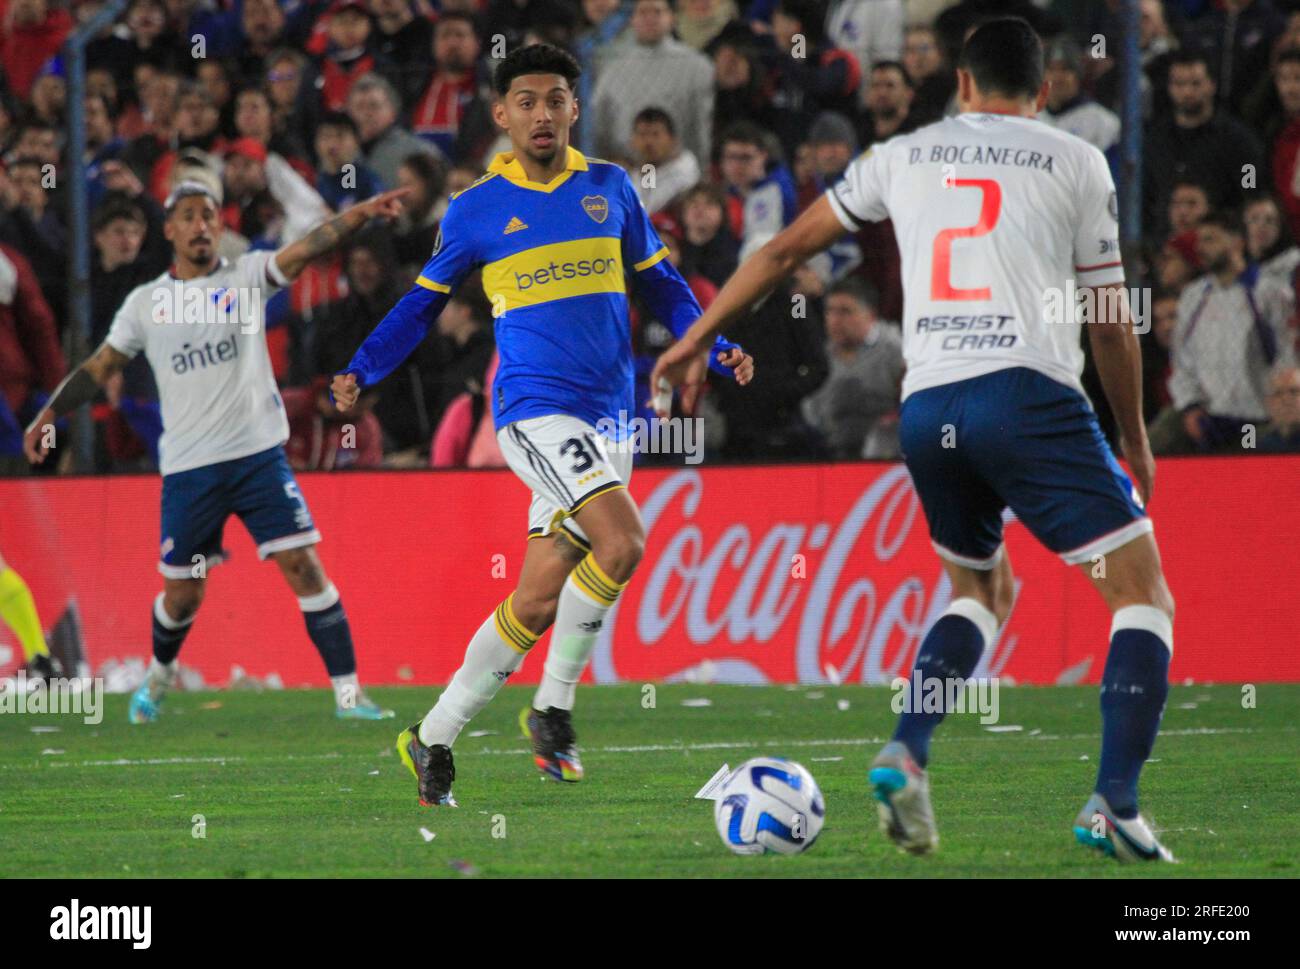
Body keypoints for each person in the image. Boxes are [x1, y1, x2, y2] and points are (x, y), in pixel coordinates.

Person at [655, 18, 1180, 863]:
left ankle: (908, 744)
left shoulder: (904, 152)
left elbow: (784, 247)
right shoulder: (1077, 160)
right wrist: (1133, 435)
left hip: (928, 403)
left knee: (980, 589)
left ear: (961, 86)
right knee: (1142, 594)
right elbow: (1113, 320)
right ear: (1042, 91)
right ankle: (1114, 799)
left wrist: (695, 335)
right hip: (1028, 392)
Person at [331, 44, 753, 808]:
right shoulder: (477, 208)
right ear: (501, 115)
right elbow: (420, 305)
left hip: (612, 415)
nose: (542, 114)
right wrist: (362, 366)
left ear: (573, 109)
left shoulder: (612, 188)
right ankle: (553, 710)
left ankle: (431, 736)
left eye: (555, 98)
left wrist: (713, 344)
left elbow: (663, 286)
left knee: (535, 596)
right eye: (525, 101)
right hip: (535, 410)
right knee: (622, 540)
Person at [22, 181, 410, 724]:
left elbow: (307, 247)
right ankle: (156, 680)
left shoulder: (246, 276)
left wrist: (361, 212)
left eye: (209, 215)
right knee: (183, 596)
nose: (202, 225)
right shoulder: (145, 304)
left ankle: (350, 697)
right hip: (189, 469)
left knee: (304, 566)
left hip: (257, 458)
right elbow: (100, 368)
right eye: (189, 216)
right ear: (170, 230)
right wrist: (49, 415)